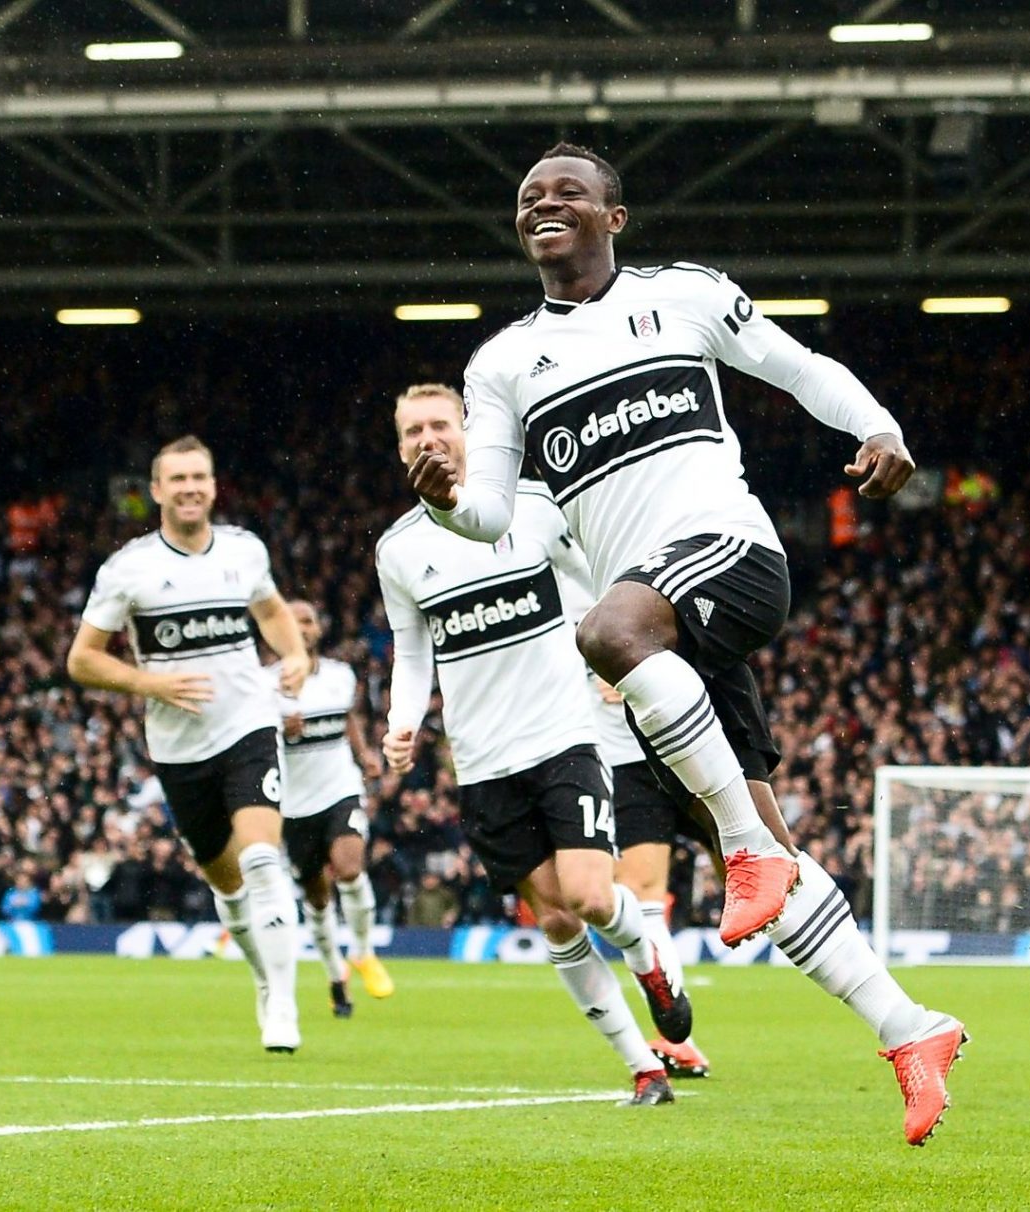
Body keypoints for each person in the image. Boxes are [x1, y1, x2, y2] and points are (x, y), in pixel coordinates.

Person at [406, 141, 966, 1145]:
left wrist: (879, 426)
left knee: (605, 633)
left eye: (569, 192)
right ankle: (909, 1028)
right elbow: (489, 514)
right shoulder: (501, 366)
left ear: (614, 217)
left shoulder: (685, 295)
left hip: (725, 555)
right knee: (768, 853)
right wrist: (447, 504)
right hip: (665, 639)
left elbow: (798, 367)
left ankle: (746, 853)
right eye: (529, 196)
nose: (544, 204)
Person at [378, 383, 688, 1106]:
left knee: (590, 895)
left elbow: (601, 584)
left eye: (440, 425)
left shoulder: (535, 507)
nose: (428, 438)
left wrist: (618, 655)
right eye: (413, 431)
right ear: (400, 448)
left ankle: (649, 960)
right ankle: (644, 1067)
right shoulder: (399, 550)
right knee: (553, 919)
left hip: (562, 738)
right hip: (484, 761)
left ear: (467, 432)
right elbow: (412, 650)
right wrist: (402, 718)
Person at [67, 435, 311, 1053]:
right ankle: (263, 976)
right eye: (177, 479)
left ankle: (284, 1002)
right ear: (156, 491)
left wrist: (296, 655)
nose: (190, 488)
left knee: (262, 859)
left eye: (199, 477)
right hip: (179, 749)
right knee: (227, 884)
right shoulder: (129, 569)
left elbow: (272, 610)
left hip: (249, 725)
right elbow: (82, 660)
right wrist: (149, 682)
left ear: (214, 485)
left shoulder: (244, 550)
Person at [555, 558, 716, 1079]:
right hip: (626, 763)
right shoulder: (556, 590)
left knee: (759, 867)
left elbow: (707, 635)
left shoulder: (648, 565)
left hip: (690, 745)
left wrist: (645, 670)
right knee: (643, 894)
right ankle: (678, 1037)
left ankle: (864, 992)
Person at [277, 599, 393, 1017]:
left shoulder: (339, 675)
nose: (303, 628)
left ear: (318, 628)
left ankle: (362, 951)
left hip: (339, 789)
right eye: (294, 621)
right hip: (293, 803)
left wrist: (365, 755)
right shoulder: (264, 685)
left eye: (308, 620)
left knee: (349, 868)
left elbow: (347, 718)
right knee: (316, 895)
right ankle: (335, 973)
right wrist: (280, 731)